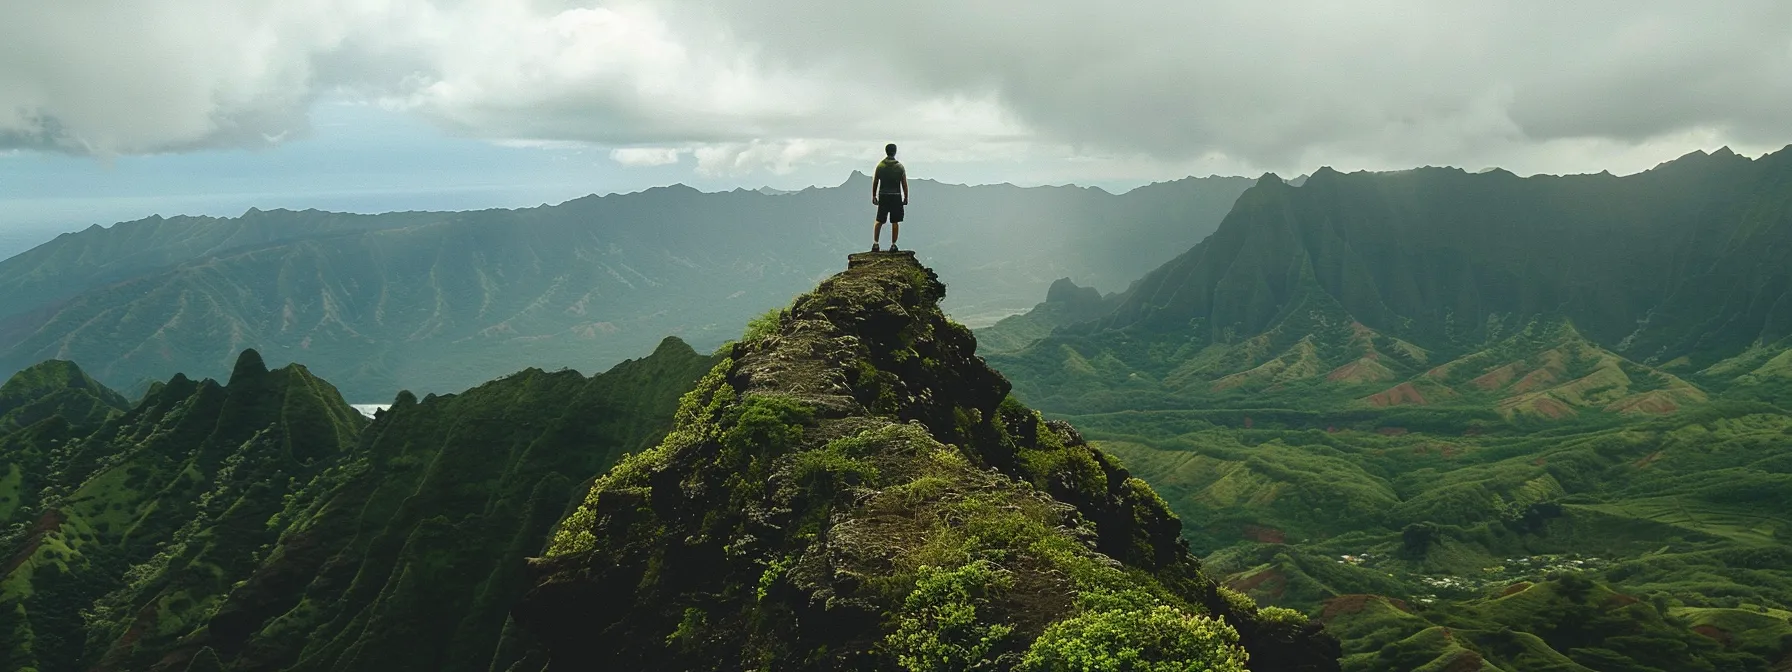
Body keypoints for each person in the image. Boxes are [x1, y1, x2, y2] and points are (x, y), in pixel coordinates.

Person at [871, 143, 908, 251]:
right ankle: (893, 245)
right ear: (895, 152)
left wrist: (874, 195)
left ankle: (875, 243)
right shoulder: (900, 167)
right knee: (895, 221)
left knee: (879, 220)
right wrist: (906, 197)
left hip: (883, 195)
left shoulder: (880, 166)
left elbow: (876, 182)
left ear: (886, 151)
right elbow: (904, 183)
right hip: (896, 196)